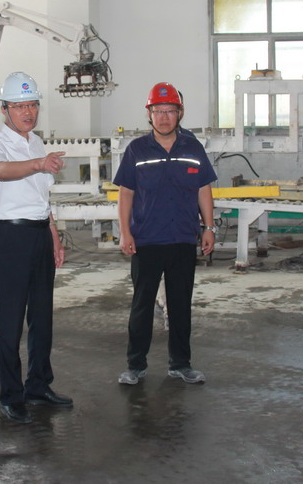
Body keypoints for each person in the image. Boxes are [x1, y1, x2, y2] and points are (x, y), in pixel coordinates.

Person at [0, 71, 71, 425]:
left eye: (32, 105)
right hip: (10, 236)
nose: (28, 112)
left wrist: (53, 234)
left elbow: (40, 196)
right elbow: (1, 171)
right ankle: (11, 393)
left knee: (42, 315)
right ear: (5, 110)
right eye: (19, 106)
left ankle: (38, 384)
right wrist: (39, 163)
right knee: (11, 317)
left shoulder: (36, 142)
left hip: (38, 233)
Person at [113, 82, 216, 386]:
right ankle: (135, 366)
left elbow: (204, 189)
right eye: (158, 111)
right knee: (142, 306)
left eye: (170, 111)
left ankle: (181, 364)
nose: (164, 117)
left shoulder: (193, 148)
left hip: (183, 238)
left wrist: (209, 227)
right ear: (149, 114)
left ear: (179, 113)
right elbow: (126, 193)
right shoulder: (136, 150)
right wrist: (125, 233)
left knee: (180, 304)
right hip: (146, 239)